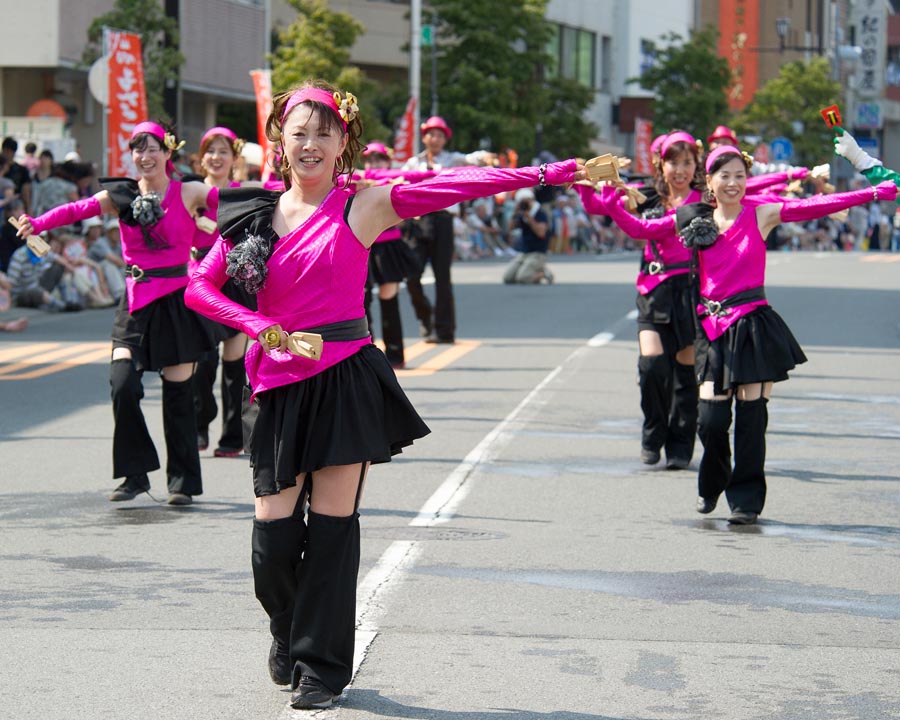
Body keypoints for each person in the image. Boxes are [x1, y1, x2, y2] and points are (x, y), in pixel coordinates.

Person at [185, 79, 591, 710]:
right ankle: (284, 627)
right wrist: (256, 323)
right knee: (270, 537)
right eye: (300, 133)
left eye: (325, 132)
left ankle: (321, 666)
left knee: (331, 528)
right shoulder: (251, 217)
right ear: (281, 142)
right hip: (276, 383)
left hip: (346, 376)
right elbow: (198, 288)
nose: (312, 144)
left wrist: (551, 171)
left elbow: (459, 186)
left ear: (343, 141)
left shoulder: (365, 206)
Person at [603, 145, 897, 524]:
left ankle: (745, 501)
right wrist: (610, 196)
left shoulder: (762, 213)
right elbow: (639, 228)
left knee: (751, 418)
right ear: (708, 181)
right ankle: (713, 481)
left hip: (752, 324)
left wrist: (876, 192)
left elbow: (817, 207)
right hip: (711, 329)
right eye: (724, 176)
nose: (733, 183)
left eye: (740, 176)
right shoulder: (691, 216)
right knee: (710, 422)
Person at [16, 121, 219, 506]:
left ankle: (182, 484)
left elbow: (231, 201)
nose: (144, 157)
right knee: (122, 384)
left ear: (167, 152)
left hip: (176, 300)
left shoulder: (189, 191)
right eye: (137, 149)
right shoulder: (121, 196)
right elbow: (79, 209)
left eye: (152, 148)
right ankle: (134, 475)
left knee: (178, 398)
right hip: (135, 301)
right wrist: (36, 223)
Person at [577, 130, 704, 469]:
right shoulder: (645, 195)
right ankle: (653, 432)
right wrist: (584, 183)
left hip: (692, 290)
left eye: (687, 162)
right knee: (652, 366)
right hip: (654, 290)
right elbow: (599, 206)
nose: (680, 170)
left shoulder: (704, 200)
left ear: (696, 165)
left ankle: (681, 444)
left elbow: (644, 229)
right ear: (660, 165)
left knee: (685, 374)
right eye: (673, 162)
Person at [191, 125, 256, 457]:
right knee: (202, 362)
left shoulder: (240, 193)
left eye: (223, 152)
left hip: (234, 279)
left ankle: (232, 436)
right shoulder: (189, 192)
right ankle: (199, 424)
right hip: (200, 281)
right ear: (201, 159)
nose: (216, 158)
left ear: (233, 158)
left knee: (234, 364)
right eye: (210, 152)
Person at [400, 115, 494, 343]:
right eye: (431, 134)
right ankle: (426, 320)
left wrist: (486, 157)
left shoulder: (453, 160)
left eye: (440, 135)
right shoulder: (414, 163)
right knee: (411, 276)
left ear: (445, 139)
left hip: (443, 221)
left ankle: (445, 331)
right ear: (424, 137)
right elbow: (398, 181)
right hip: (418, 222)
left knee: (443, 278)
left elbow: (474, 158)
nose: (435, 139)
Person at [358, 141, 422, 369]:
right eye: (370, 159)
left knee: (389, 298)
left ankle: (395, 354)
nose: (375, 163)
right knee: (361, 302)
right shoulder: (358, 182)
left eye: (379, 159)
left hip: (388, 247)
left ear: (388, 161)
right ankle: (366, 355)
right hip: (362, 246)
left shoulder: (394, 181)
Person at [502, 188, 552, 284]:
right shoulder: (521, 215)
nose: (525, 205)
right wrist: (515, 213)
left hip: (537, 253)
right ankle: (534, 269)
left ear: (532, 200)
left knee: (523, 278)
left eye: (526, 202)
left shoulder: (540, 214)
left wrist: (529, 218)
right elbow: (510, 229)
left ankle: (543, 273)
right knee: (507, 278)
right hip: (524, 253)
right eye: (522, 202)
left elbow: (541, 233)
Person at [2, 137, 32, 212]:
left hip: (15, 207)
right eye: (5, 151)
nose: (6, 154)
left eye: (9, 151)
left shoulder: (21, 170)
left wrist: (28, 208)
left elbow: (26, 190)